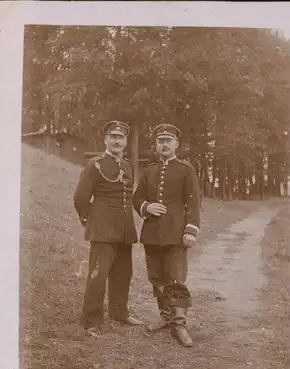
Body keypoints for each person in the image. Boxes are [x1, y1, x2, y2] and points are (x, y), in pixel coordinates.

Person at [132, 124, 201, 347]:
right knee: (157, 278)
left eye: (168, 140)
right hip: (152, 234)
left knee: (176, 279)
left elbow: (194, 202)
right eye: (160, 140)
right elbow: (136, 198)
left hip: (176, 234)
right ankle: (165, 317)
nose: (163, 144)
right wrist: (146, 206)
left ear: (176, 144)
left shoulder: (185, 169)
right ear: (156, 145)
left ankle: (179, 324)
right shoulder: (149, 170)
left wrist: (191, 229)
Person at [73, 120, 142, 337]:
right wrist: (89, 220)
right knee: (98, 274)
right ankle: (91, 321)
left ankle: (119, 313)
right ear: (105, 140)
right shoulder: (95, 164)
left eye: (120, 137)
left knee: (123, 274)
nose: (116, 140)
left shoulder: (128, 165)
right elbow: (80, 197)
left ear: (125, 141)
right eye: (112, 136)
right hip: (102, 228)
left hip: (125, 228)